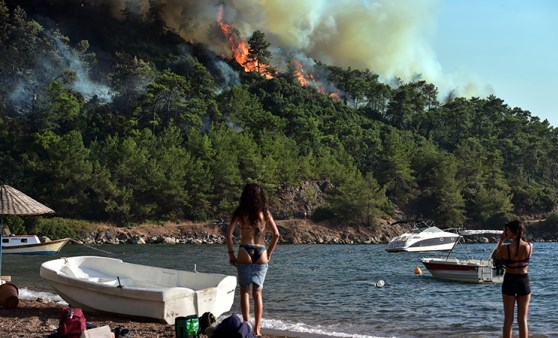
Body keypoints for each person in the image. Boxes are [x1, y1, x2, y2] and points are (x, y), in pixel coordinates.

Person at [226, 183, 280, 337]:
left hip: (244, 251)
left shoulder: (240, 212)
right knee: (258, 293)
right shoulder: (265, 213)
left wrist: (231, 253)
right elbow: (276, 235)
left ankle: (246, 326)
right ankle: (257, 329)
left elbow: (228, 234)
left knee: (244, 291)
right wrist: (268, 253)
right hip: (261, 252)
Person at [495, 220, 533, 338]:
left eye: (507, 230)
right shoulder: (529, 247)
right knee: (522, 319)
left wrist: (501, 240)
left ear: (513, 232)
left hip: (509, 280)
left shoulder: (505, 249)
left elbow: (496, 256)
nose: (505, 232)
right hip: (523, 281)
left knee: (508, 319)